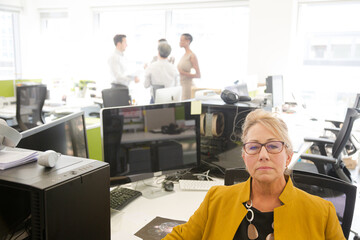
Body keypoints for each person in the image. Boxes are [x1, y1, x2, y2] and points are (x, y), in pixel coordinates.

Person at [163, 109, 345, 240]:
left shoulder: (322, 214)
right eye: (254, 147)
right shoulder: (216, 199)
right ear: (244, 156)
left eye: (273, 146)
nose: (263, 155)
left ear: (288, 156)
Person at [177, 33, 201, 100]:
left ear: (188, 41)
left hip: (188, 87)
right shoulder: (184, 55)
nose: (180, 42)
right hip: (182, 85)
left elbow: (198, 75)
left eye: (181, 40)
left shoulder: (192, 56)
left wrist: (183, 73)